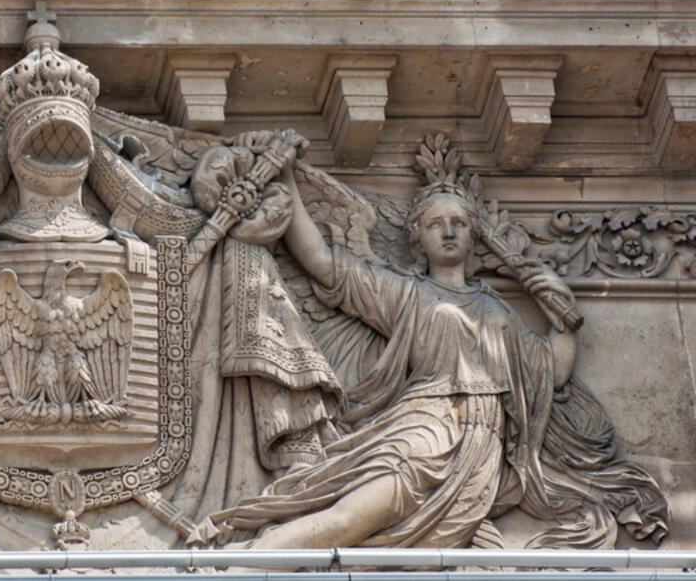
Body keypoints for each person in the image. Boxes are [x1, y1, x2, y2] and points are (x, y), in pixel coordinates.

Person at [189, 176, 579, 550]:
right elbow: (323, 262)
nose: (448, 232)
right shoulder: (410, 293)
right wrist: (288, 180)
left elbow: (553, 369)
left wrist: (560, 309)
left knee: (418, 554)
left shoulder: (499, 310)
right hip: (428, 426)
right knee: (348, 519)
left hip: (482, 449)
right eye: (435, 224)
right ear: (418, 239)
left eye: (459, 223)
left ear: (474, 237)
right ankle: (246, 564)